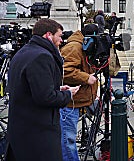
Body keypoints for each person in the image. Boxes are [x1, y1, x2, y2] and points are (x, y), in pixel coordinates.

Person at [6, 19, 79, 161]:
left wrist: (57, 89)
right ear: (48, 35)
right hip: (38, 133)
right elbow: (46, 97)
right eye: (59, 36)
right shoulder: (42, 56)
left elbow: (28, 87)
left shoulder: (23, 52)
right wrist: (67, 94)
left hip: (21, 130)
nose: (61, 41)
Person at [60, 24, 99, 161]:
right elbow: (64, 71)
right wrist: (86, 78)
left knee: (68, 139)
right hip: (70, 102)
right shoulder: (74, 48)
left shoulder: (86, 46)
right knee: (68, 140)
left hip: (80, 100)